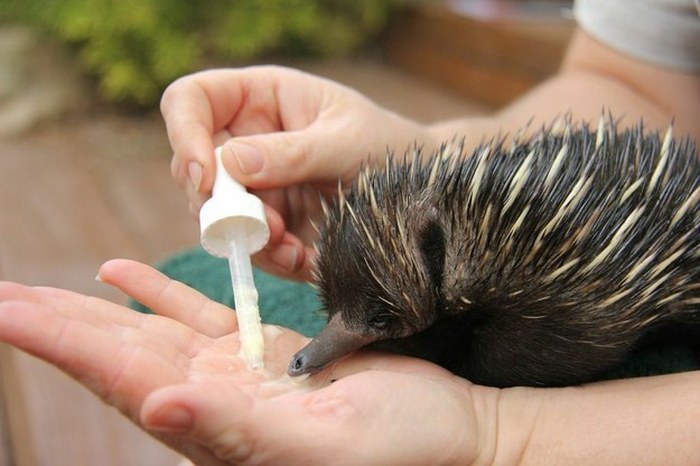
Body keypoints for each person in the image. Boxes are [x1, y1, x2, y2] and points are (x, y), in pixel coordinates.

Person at [1, 0, 699, 464]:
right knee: (183, 291)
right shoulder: (469, 248)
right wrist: (422, 140)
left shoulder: (557, 313)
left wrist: (503, 436)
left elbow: (554, 345)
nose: (323, 346)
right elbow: (632, 83)